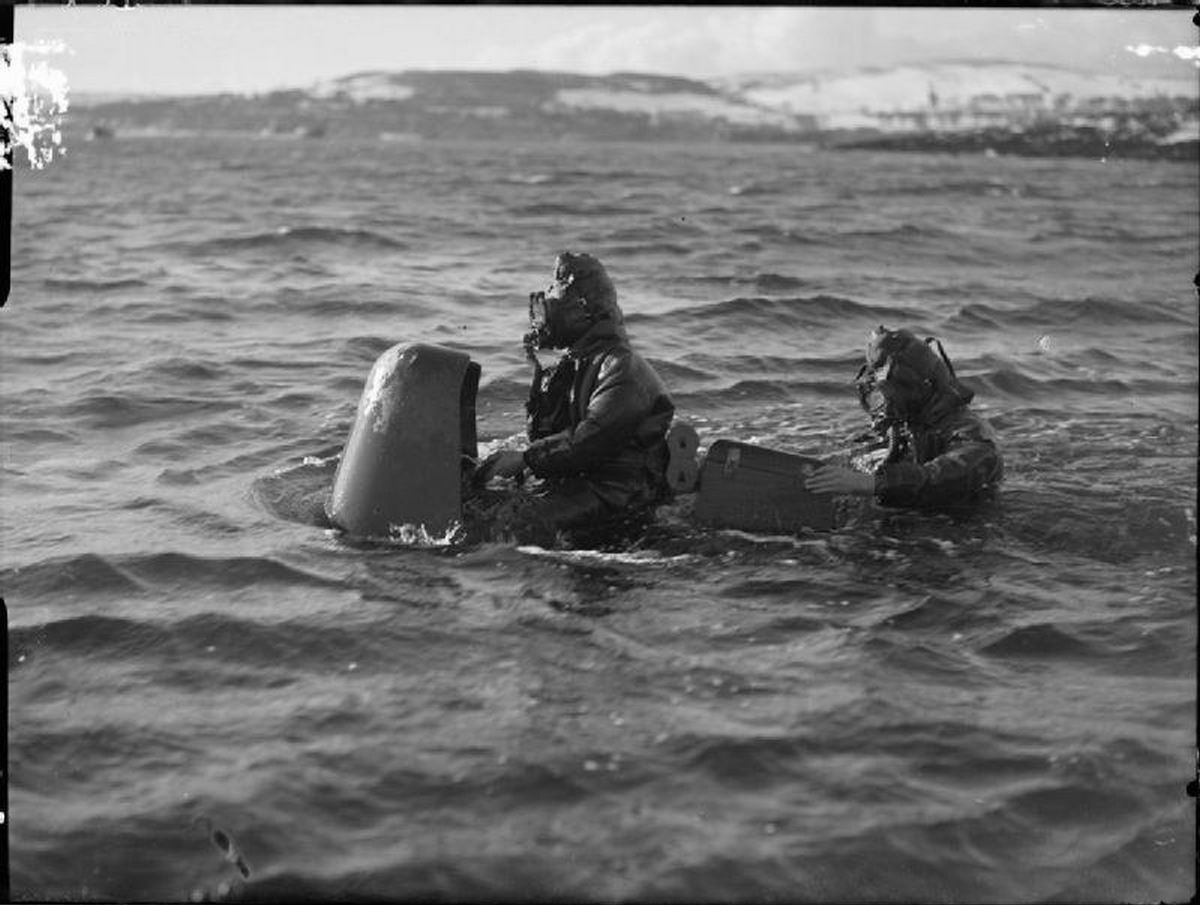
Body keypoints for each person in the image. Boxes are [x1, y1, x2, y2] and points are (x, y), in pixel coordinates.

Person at [469, 251, 676, 544]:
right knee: (483, 505)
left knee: (516, 522)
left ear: (584, 308)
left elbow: (592, 440)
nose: (546, 305)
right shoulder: (576, 363)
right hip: (577, 480)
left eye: (556, 292)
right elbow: (542, 434)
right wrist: (542, 374)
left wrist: (526, 459)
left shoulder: (622, 367)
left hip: (617, 492)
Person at [806, 326, 1003, 509]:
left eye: (891, 394)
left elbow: (950, 475)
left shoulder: (973, 435)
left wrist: (872, 484)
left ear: (919, 389)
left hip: (959, 530)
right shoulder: (903, 425)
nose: (884, 406)